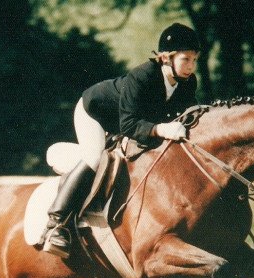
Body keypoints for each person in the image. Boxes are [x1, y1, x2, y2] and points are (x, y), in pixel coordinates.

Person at [42, 23, 201, 258]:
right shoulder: (142, 77)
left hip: (127, 121)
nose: (191, 66)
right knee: (95, 157)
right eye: (186, 59)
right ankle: (57, 223)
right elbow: (129, 125)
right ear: (166, 58)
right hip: (95, 113)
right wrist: (161, 128)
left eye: (195, 60)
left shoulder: (188, 83)